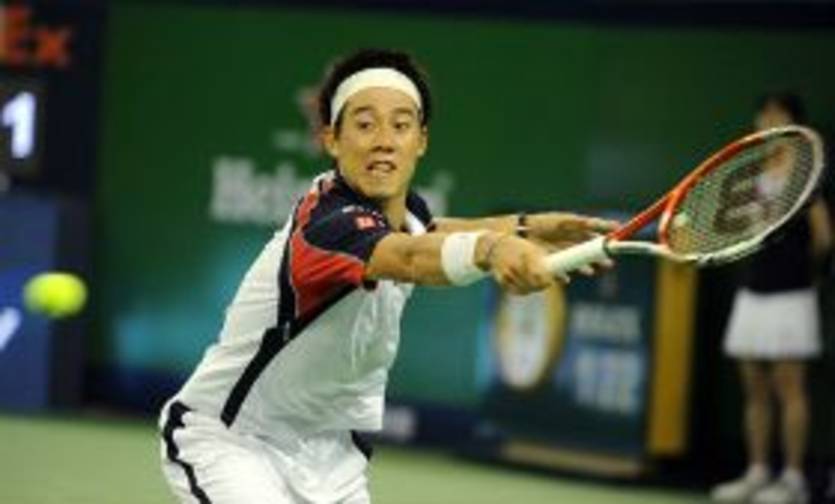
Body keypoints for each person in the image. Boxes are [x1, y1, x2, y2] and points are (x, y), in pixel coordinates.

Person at [158, 48, 615, 504]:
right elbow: (411, 257)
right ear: (332, 139)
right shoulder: (327, 225)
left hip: (332, 459)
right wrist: (493, 249)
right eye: (365, 124)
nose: (384, 141)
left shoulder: (406, 214)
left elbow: (429, 232)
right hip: (233, 441)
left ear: (421, 140)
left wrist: (526, 227)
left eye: (400, 125)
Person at [712, 93, 833, 504]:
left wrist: (800, 268)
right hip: (753, 290)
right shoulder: (751, 177)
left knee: (789, 387)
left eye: (777, 115)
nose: (768, 122)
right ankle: (757, 471)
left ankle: (793, 479)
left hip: (792, 292)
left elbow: (823, 238)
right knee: (755, 388)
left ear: (795, 125)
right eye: (763, 115)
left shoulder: (806, 177)